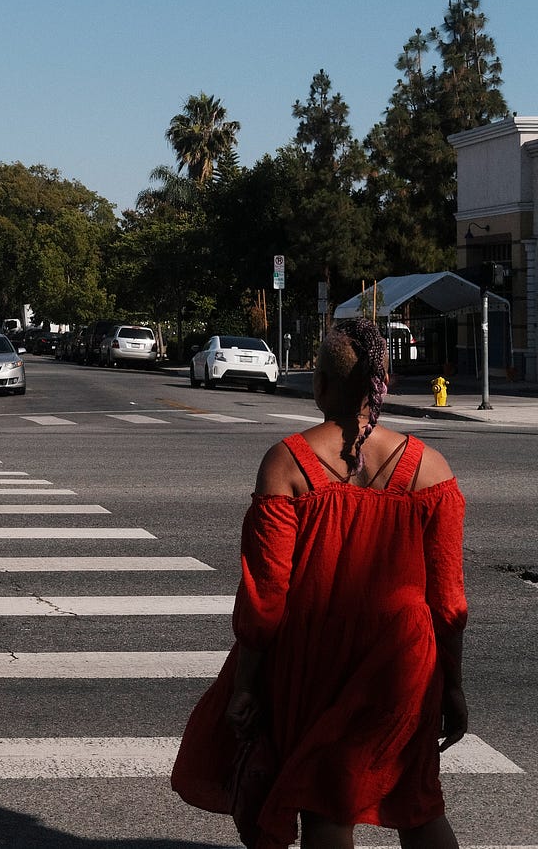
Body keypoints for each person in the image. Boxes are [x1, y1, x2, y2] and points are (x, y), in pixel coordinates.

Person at [172, 317, 467, 849]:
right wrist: (453, 683)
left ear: (321, 384)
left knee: (326, 806)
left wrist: (245, 684)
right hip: (403, 661)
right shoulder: (433, 471)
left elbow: (265, 598)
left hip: (313, 660)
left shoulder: (285, 463)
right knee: (417, 803)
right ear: (383, 386)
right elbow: (448, 603)